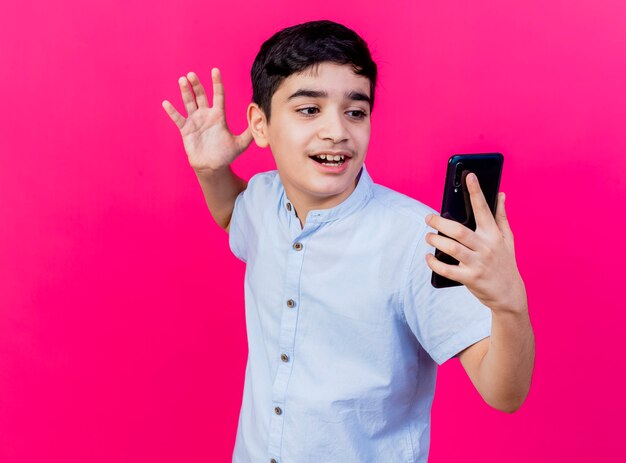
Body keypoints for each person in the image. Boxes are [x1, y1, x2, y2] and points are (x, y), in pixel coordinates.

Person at [162, 19, 535, 463]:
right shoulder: (262, 199)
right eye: (309, 110)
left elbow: (503, 392)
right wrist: (211, 171)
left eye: (355, 111)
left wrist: (510, 305)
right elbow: (232, 215)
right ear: (260, 125)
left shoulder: (416, 240)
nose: (337, 130)